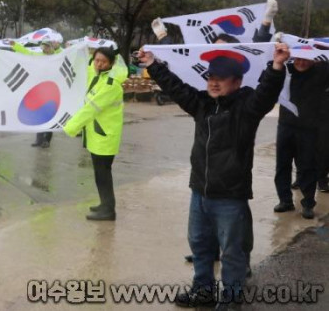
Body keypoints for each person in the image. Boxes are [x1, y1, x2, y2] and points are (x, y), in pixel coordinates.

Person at [138, 43, 288, 308]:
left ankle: (231, 299)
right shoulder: (202, 104)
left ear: (237, 81)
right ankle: (203, 290)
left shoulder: (246, 108)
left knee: (232, 252)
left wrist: (276, 66)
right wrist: (152, 64)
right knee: (200, 245)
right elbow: (176, 88)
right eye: (211, 77)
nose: (214, 83)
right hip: (199, 192)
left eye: (221, 78)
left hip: (230, 197)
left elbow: (266, 93)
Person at [64, 47, 126, 221]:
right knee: (100, 174)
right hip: (97, 136)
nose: (99, 64)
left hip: (105, 137)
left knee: (103, 174)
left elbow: (91, 108)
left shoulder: (110, 85)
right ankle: (105, 204)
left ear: (111, 64)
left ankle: (108, 210)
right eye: (97, 60)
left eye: (103, 61)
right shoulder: (97, 76)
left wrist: (70, 127)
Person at [273, 55, 329, 219]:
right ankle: (285, 200)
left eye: (306, 59)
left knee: (307, 167)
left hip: (309, 129)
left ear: (314, 60)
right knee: (282, 165)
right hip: (285, 125)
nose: (302, 63)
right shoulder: (286, 69)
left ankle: (308, 203)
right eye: (299, 59)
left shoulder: (322, 71)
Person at [11, 38, 62, 148]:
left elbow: (65, 54)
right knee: (39, 116)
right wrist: (15, 45)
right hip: (39, 91)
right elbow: (27, 53)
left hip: (52, 91)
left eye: (47, 46)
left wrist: (58, 48)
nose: (45, 48)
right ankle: (38, 140)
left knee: (49, 116)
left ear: (52, 47)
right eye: (44, 46)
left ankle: (47, 140)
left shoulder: (57, 56)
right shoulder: (38, 56)